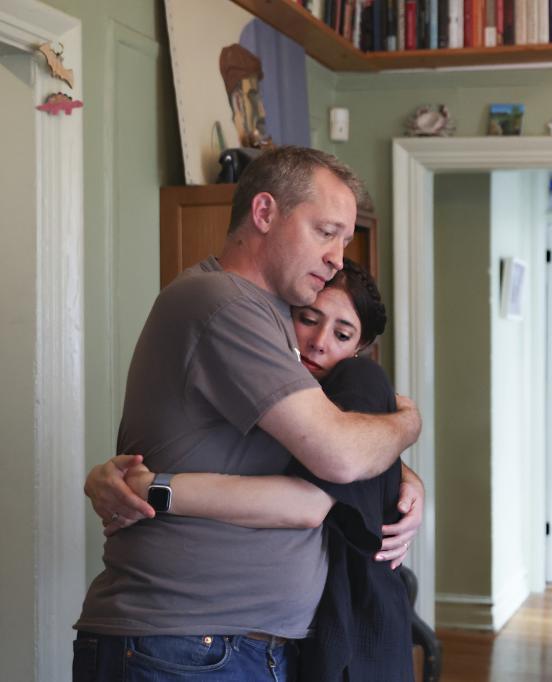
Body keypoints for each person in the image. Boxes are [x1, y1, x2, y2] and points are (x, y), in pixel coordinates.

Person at [73, 146, 423, 680]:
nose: (336, 256)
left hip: (223, 643)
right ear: (263, 213)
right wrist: (409, 422)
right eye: (325, 232)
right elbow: (339, 456)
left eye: (345, 240)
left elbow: (315, 445)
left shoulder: (275, 321)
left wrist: (405, 475)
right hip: (187, 643)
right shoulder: (225, 303)